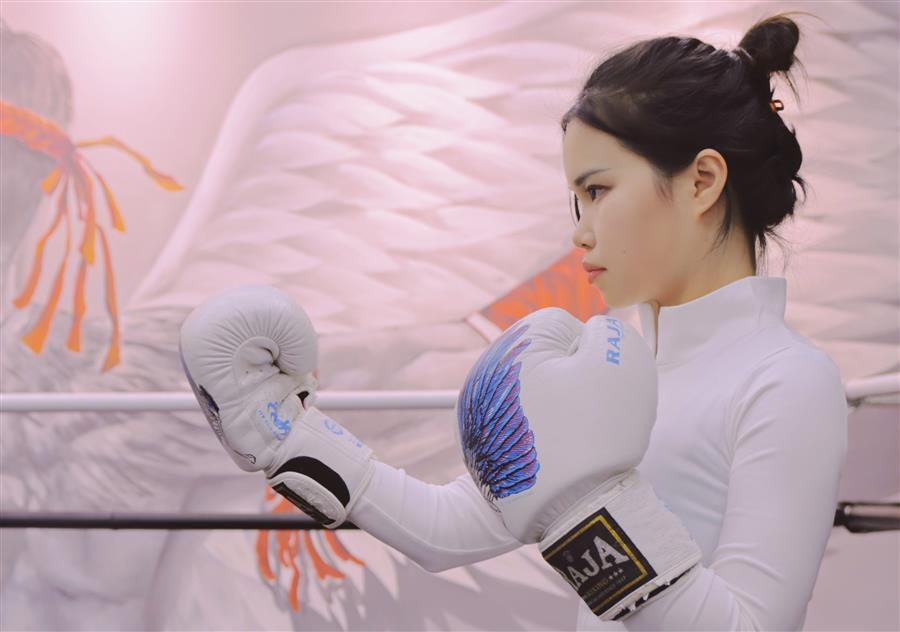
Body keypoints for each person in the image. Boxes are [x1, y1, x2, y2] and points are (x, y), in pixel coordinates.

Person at [180, 12, 848, 631]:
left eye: (598, 190)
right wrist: (281, 433)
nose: (580, 232)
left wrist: (588, 507)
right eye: (577, 200)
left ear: (702, 181)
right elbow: (444, 529)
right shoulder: (627, 372)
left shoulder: (787, 381)